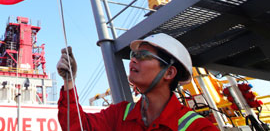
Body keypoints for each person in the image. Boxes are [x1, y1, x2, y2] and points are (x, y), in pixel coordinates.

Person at [57, 33, 219, 130]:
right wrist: (69, 81)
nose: (132, 60)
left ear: (169, 72)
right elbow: (77, 127)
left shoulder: (198, 128)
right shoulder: (119, 114)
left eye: (142, 56)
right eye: (133, 56)